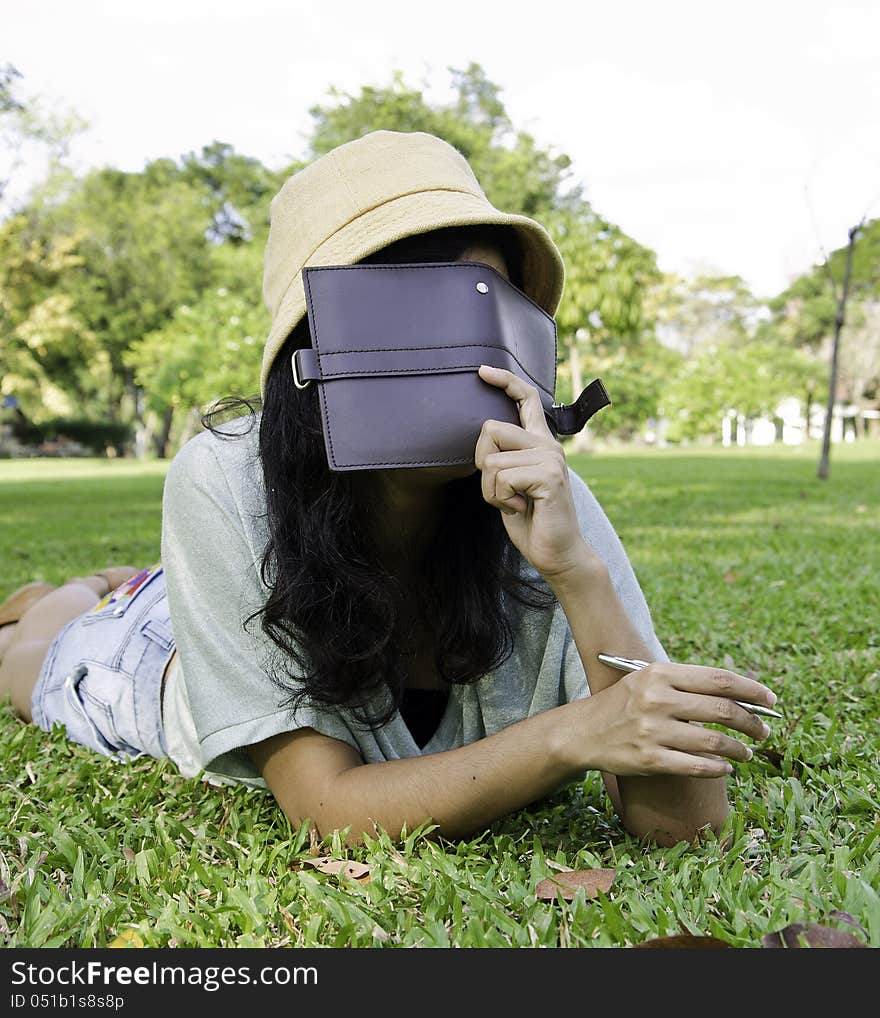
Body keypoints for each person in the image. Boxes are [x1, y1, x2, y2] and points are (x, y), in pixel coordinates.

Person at [0, 130, 778, 848]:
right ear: (323, 345)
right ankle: (75, 593)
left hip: (227, 609)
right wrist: (570, 733)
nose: (472, 361)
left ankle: (133, 584)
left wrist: (577, 572)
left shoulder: (545, 501)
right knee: (27, 660)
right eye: (427, 313)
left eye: (492, 309)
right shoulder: (223, 477)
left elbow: (687, 833)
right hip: (154, 667)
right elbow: (325, 808)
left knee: (154, 597)